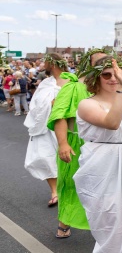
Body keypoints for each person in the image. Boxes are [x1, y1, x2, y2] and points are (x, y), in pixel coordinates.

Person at [74, 56, 122, 252]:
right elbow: (112, 123)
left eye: (116, 74)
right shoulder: (87, 104)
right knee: (109, 218)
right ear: (95, 78)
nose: (112, 78)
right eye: (106, 74)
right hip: (101, 167)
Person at [48, 48, 107, 238]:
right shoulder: (73, 87)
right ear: (87, 65)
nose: (102, 65)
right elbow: (60, 116)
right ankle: (64, 223)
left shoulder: (108, 87)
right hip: (76, 143)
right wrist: (63, 143)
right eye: (98, 62)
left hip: (103, 145)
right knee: (70, 183)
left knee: (102, 186)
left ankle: (105, 226)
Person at [23, 54, 68, 208]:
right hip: (44, 127)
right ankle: (54, 192)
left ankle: (68, 190)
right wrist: (49, 104)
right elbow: (34, 105)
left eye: (46, 62)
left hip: (64, 126)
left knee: (66, 159)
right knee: (45, 158)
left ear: (53, 63)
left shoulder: (71, 80)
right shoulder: (45, 83)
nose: (43, 65)